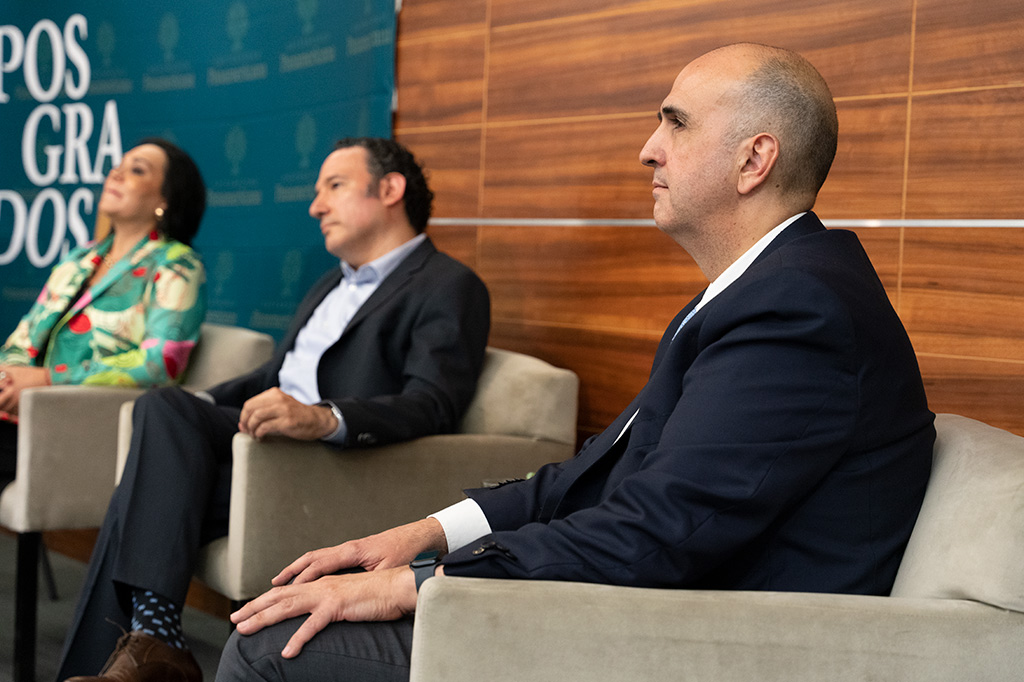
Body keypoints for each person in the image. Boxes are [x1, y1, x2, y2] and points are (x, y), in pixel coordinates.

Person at [212, 43, 937, 682]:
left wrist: (422, 581)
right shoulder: (760, 292)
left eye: (676, 123)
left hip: (710, 640)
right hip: (649, 603)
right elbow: (595, 474)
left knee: (274, 647)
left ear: (754, 160)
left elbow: (657, 532)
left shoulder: (797, 310)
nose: (648, 150)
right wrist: (425, 534)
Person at [57, 137, 491, 681]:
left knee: (141, 490)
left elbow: (433, 404)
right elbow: (272, 379)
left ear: (389, 189)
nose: (315, 206)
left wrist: (326, 418)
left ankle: (154, 646)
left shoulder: (449, 285)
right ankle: (150, 645)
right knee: (163, 417)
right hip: (258, 451)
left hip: (321, 467)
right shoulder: (330, 282)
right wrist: (196, 408)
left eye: (333, 187)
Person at [0, 138, 207, 488]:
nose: (116, 174)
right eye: (117, 167)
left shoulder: (177, 264)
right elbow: (24, 337)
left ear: (164, 200)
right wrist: (8, 379)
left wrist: (48, 381)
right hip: (16, 414)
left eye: (137, 170)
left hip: (79, 425)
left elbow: (160, 364)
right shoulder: (79, 258)